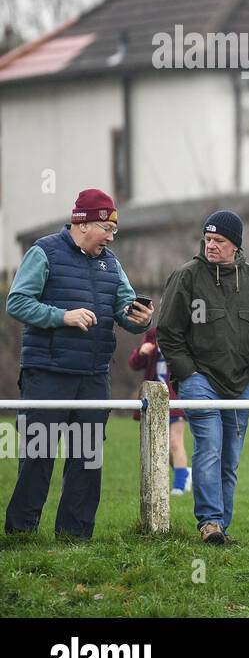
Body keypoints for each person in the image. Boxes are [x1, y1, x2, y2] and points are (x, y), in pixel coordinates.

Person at [4, 190, 153, 539]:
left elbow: (124, 308)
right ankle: (21, 532)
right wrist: (62, 317)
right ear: (83, 223)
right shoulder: (43, 252)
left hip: (92, 375)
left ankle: (75, 534)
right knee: (37, 455)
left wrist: (140, 319)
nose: (112, 237)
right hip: (47, 373)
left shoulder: (110, 262)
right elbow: (17, 302)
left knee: (87, 457)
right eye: (106, 228)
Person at [156, 211, 249, 545]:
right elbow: (168, 332)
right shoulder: (186, 277)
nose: (211, 246)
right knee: (209, 448)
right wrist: (188, 375)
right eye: (207, 240)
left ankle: (223, 525)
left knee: (230, 457)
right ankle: (210, 523)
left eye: (219, 241)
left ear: (235, 244)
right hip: (200, 381)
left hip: (242, 385)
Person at [127, 327, 190, 496]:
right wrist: (141, 352)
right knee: (161, 446)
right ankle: (185, 472)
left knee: (175, 442)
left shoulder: (183, 331)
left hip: (176, 397)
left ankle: (179, 486)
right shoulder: (152, 334)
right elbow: (134, 364)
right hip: (154, 398)